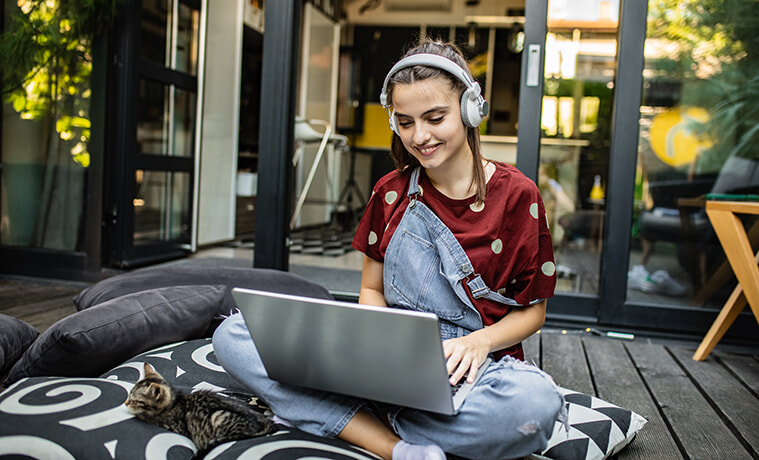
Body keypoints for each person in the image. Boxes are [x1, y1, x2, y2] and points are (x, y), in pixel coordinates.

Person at [213, 40, 565, 460]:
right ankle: (394, 446)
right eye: (405, 121)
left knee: (534, 408)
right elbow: (372, 291)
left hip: (473, 366)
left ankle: (342, 415)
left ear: (471, 109)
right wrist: (373, 352)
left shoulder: (518, 196)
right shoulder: (390, 193)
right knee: (231, 335)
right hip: (386, 354)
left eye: (435, 118)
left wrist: (479, 344)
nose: (420, 136)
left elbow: (533, 311)